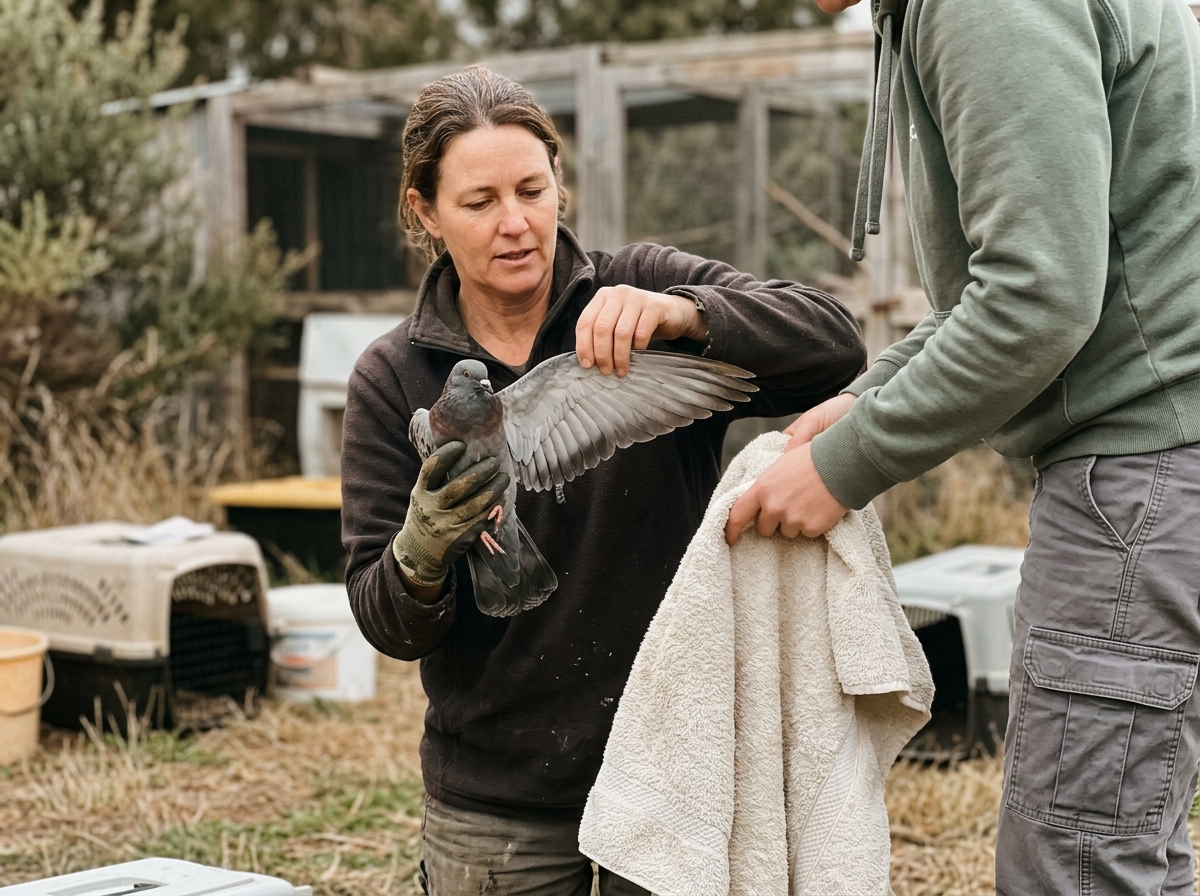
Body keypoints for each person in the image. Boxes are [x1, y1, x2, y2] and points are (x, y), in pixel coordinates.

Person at [340, 66, 866, 894]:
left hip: (670, 765)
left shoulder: (640, 289)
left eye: (533, 189)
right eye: (479, 203)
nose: (516, 224)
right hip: (498, 792)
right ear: (426, 211)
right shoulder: (392, 378)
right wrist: (421, 553)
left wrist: (689, 316)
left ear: (562, 184)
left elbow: (837, 344)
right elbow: (385, 621)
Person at [727, 0, 1200, 892]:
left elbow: (1037, 299)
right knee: (1130, 850)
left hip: (1141, 475)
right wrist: (863, 399)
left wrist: (845, 467)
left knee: (1076, 868)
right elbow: (1003, 290)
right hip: (1167, 462)